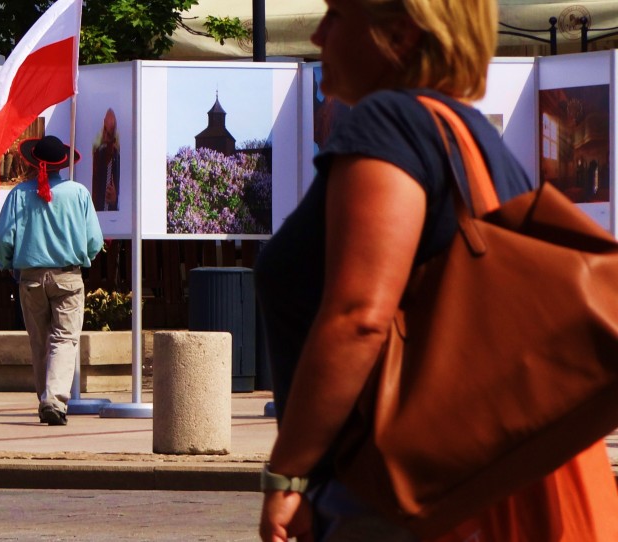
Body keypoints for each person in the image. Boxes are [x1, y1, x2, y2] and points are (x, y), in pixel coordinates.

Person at [255, 0, 618, 541]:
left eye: (335, 15)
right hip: (470, 489)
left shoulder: (390, 123)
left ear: (399, 35)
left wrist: (289, 475)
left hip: (392, 496)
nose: (316, 36)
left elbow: (359, 317)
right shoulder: (476, 139)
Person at [0, 135, 103, 426]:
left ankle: (46, 398)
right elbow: (95, 240)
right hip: (68, 275)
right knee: (64, 339)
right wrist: (85, 258)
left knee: (39, 340)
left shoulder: (19, 194)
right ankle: (54, 399)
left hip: (30, 277)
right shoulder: (78, 193)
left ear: (33, 161)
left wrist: (7, 262)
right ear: (62, 163)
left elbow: (2, 238)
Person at [91, 109, 120, 211]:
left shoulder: (117, 159)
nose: (106, 139)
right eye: (105, 131)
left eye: (110, 135)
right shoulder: (97, 155)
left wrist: (115, 199)